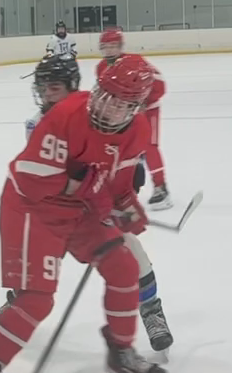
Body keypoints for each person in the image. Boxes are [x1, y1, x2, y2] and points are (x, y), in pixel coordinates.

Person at [0, 54, 168, 373]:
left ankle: (121, 354)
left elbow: (117, 185)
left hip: (80, 209)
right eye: (106, 96)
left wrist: (127, 206)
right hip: (33, 207)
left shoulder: (135, 131)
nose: (109, 109)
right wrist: (84, 184)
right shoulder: (65, 115)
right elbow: (29, 176)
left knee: (123, 266)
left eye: (122, 104)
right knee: (38, 300)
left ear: (136, 107)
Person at [28, 49, 174, 357]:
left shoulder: (103, 115)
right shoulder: (43, 124)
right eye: (44, 87)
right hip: (54, 216)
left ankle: (151, 311)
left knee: (136, 256)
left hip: (95, 216)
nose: (47, 94)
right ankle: (12, 310)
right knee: (37, 273)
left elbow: (113, 168)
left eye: (55, 87)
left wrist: (126, 194)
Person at [97, 28, 171, 209]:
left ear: (120, 46)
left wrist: (146, 101)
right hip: (122, 113)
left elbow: (159, 83)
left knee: (149, 146)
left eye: (113, 46)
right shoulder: (101, 67)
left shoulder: (135, 62)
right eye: (105, 47)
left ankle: (161, 188)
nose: (109, 51)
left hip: (147, 110)